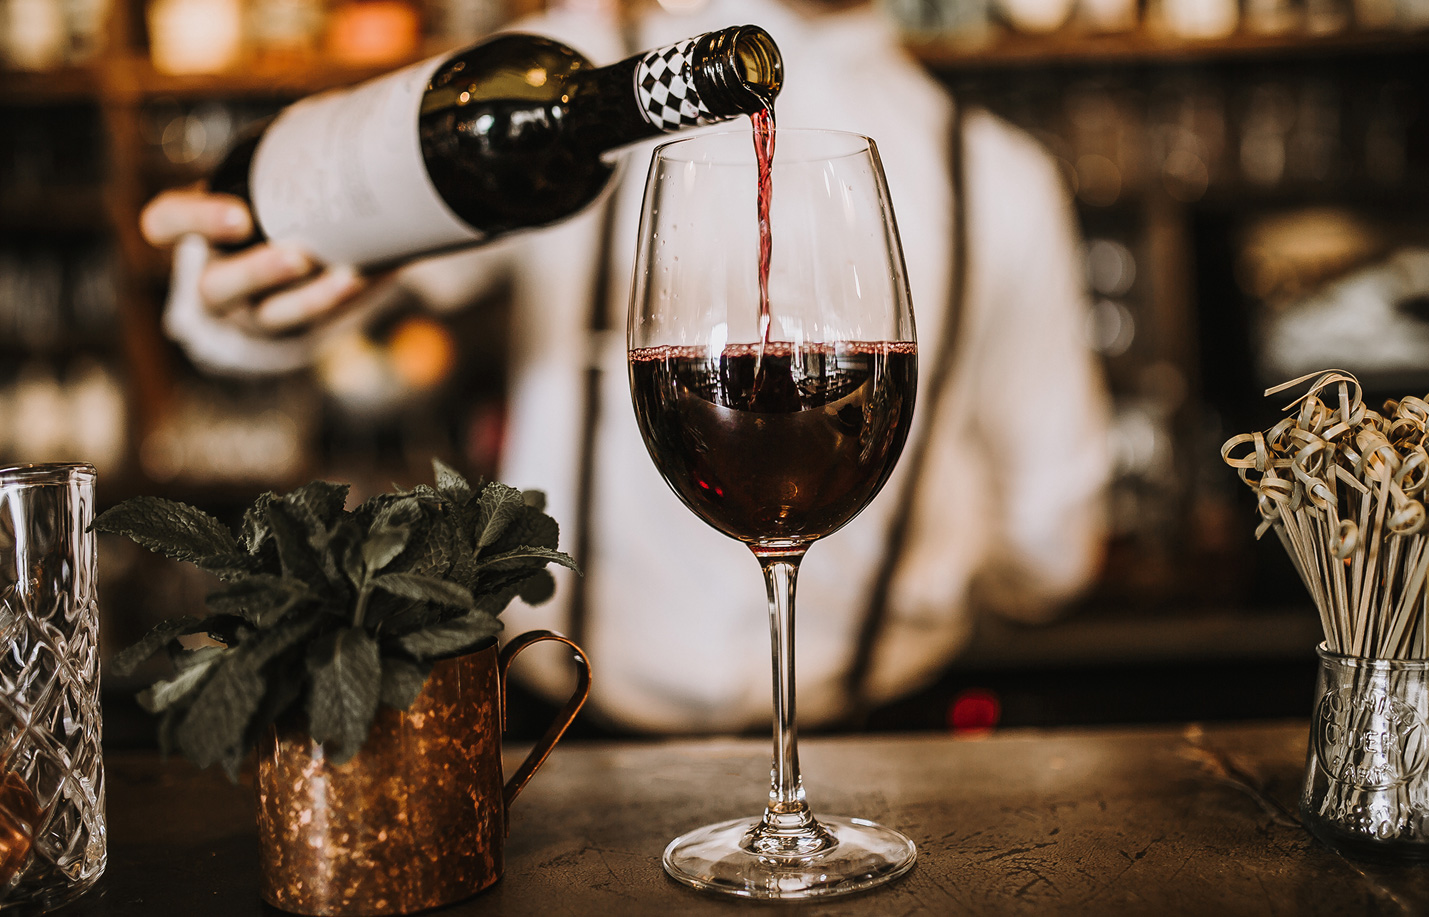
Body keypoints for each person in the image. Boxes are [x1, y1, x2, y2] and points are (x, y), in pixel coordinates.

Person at [138, 0, 1113, 733]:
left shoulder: (606, 67)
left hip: (608, 733)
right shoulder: (590, 89)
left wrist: (229, 304)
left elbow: (236, 317)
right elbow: (1052, 545)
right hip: (696, 737)